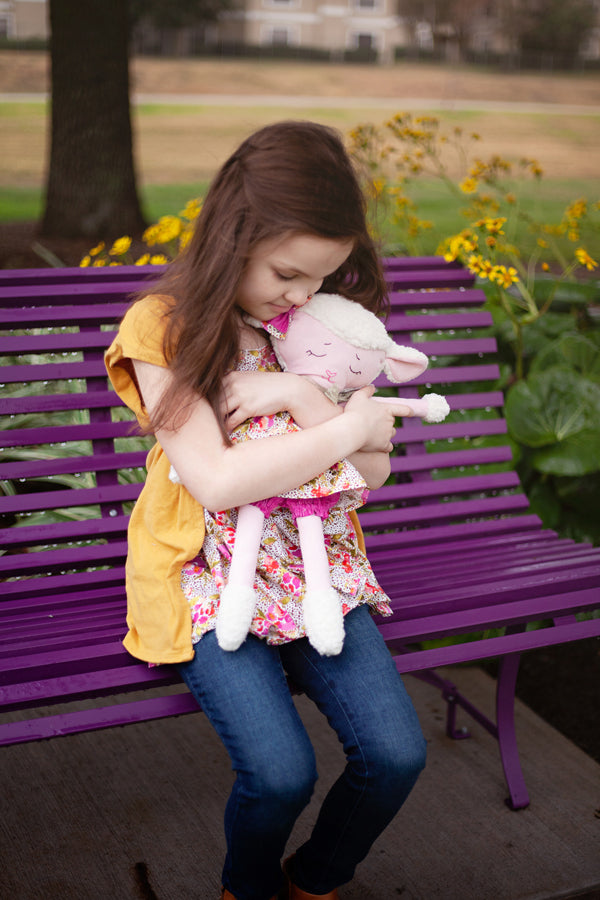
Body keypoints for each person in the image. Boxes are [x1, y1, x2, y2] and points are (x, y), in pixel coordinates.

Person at [105, 120, 427, 900]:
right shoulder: (164, 327)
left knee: (394, 757)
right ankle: (244, 890)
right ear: (233, 235)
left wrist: (301, 395)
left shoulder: (310, 332)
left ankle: (313, 882)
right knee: (280, 775)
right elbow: (214, 482)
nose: (305, 294)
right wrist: (346, 426)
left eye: (324, 277)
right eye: (289, 273)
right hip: (209, 577)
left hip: (317, 572)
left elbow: (373, 467)